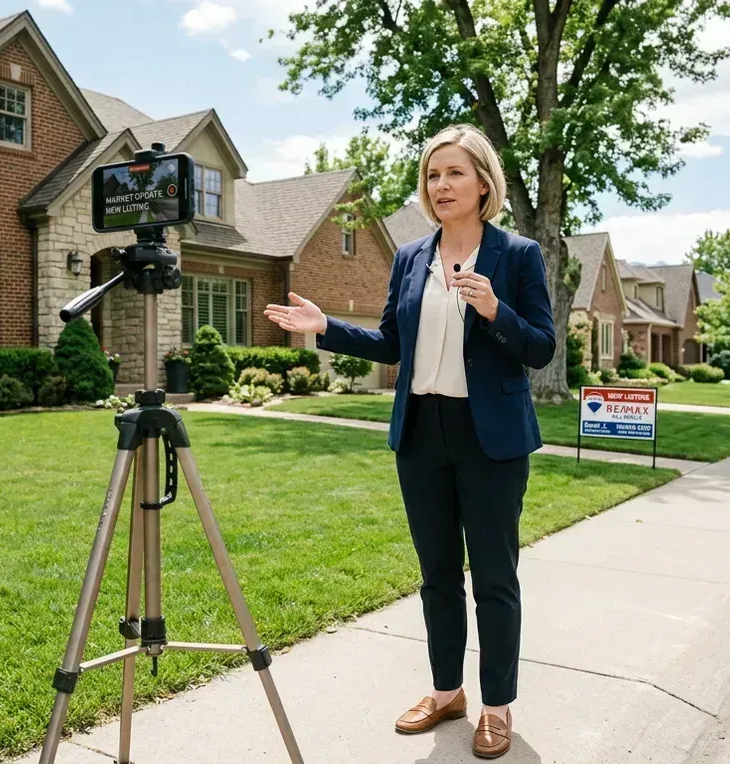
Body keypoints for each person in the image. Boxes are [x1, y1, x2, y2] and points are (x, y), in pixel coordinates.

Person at [264, 124, 555, 759]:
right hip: (422, 433)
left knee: (495, 578)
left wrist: (493, 312)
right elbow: (394, 346)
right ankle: (447, 691)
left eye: (454, 173)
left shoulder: (518, 255)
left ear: (484, 183)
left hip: (491, 441)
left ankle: (497, 706)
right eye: (432, 174)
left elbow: (540, 347)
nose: (441, 184)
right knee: (437, 576)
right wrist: (327, 327)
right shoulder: (410, 257)